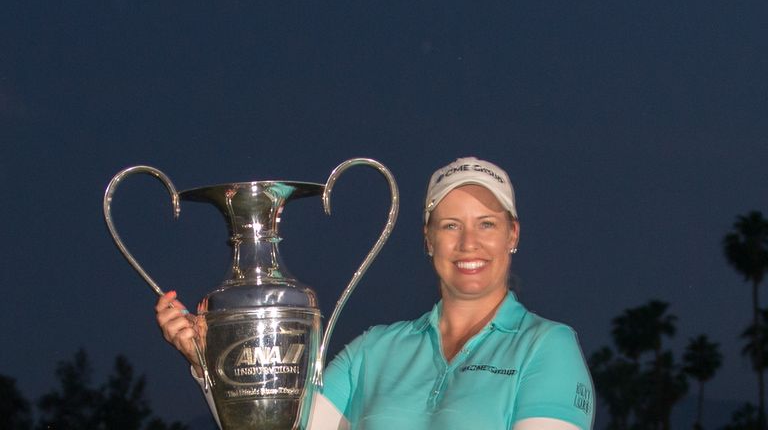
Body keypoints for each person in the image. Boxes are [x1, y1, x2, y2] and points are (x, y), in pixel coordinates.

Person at [157, 157, 595, 430]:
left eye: (487, 224)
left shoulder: (546, 346)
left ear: (512, 234)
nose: (468, 244)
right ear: (427, 239)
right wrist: (212, 362)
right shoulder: (373, 349)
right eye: (449, 225)